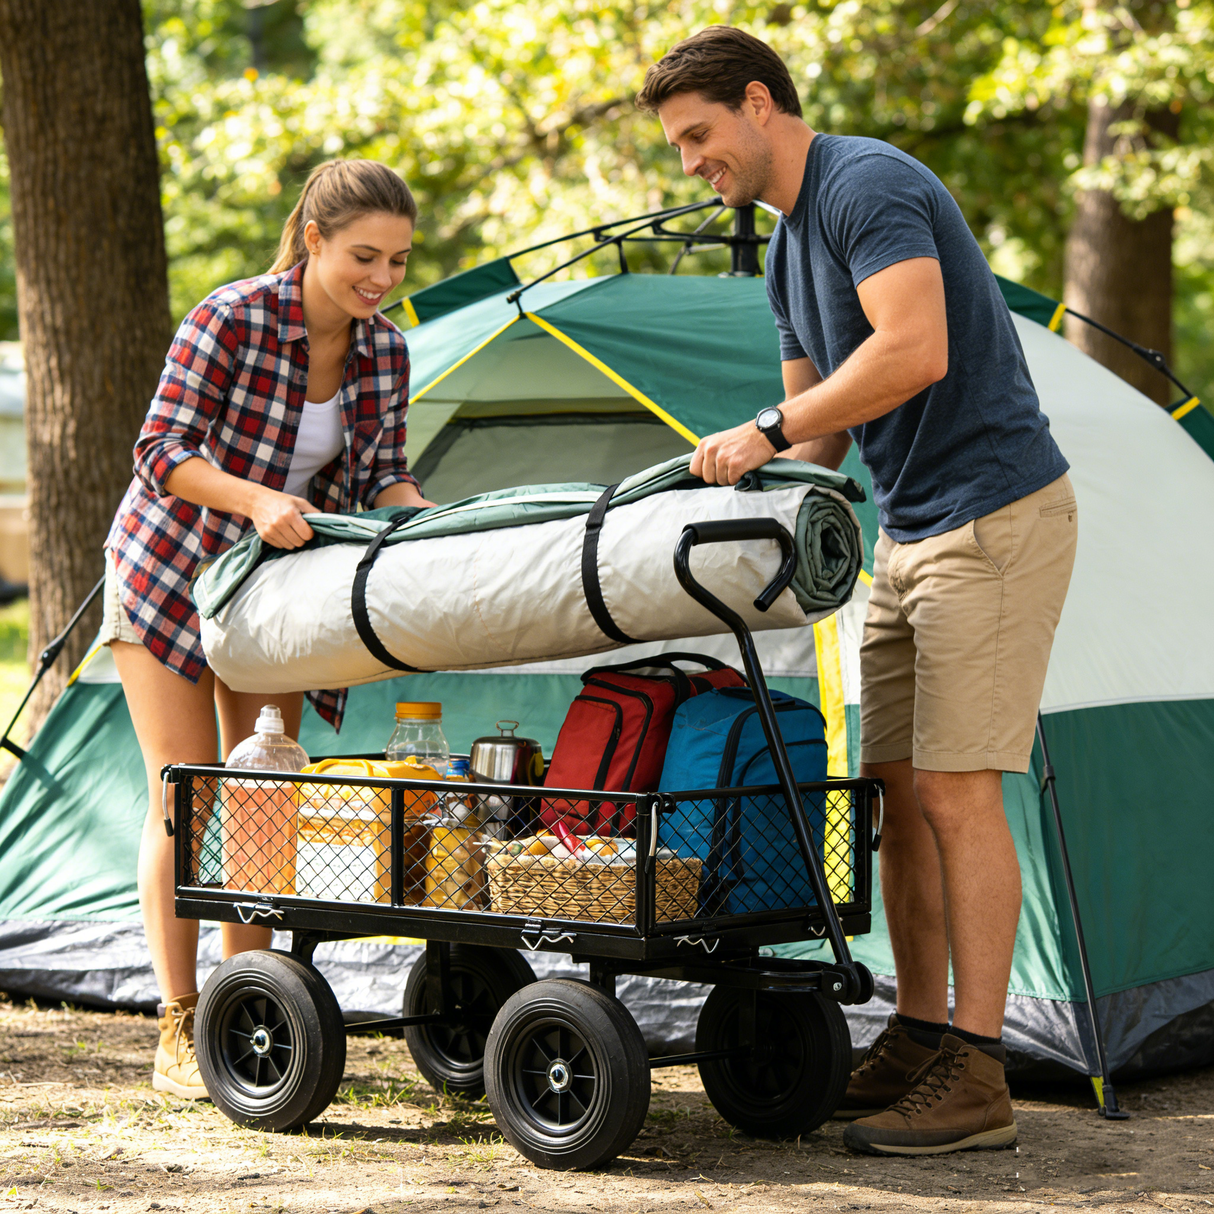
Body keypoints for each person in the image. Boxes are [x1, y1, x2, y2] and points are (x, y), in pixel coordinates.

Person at [636, 27, 1077, 1156]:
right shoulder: (787, 250)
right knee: (889, 789)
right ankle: (919, 1031)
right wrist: (722, 506)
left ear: (757, 102)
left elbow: (913, 346)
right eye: (677, 147)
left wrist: (767, 427)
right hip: (909, 531)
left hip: (993, 515)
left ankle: (978, 1074)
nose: (691, 162)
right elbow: (821, 438)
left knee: (955, 789)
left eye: (698, 136)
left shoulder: (863, 183)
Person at [102, 158, 435, 1099]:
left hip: (269, 590)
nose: (381, 278)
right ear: (315, 239)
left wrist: (425, 520)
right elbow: (160, 452)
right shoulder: (232, 316)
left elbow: (383, 476)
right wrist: (256, 500)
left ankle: (241, 1009)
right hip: (168, 569)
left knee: (263, 792)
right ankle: (176, 1021)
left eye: (400, 261)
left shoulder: (387, 351)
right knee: (187, 792)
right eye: (364, 256)